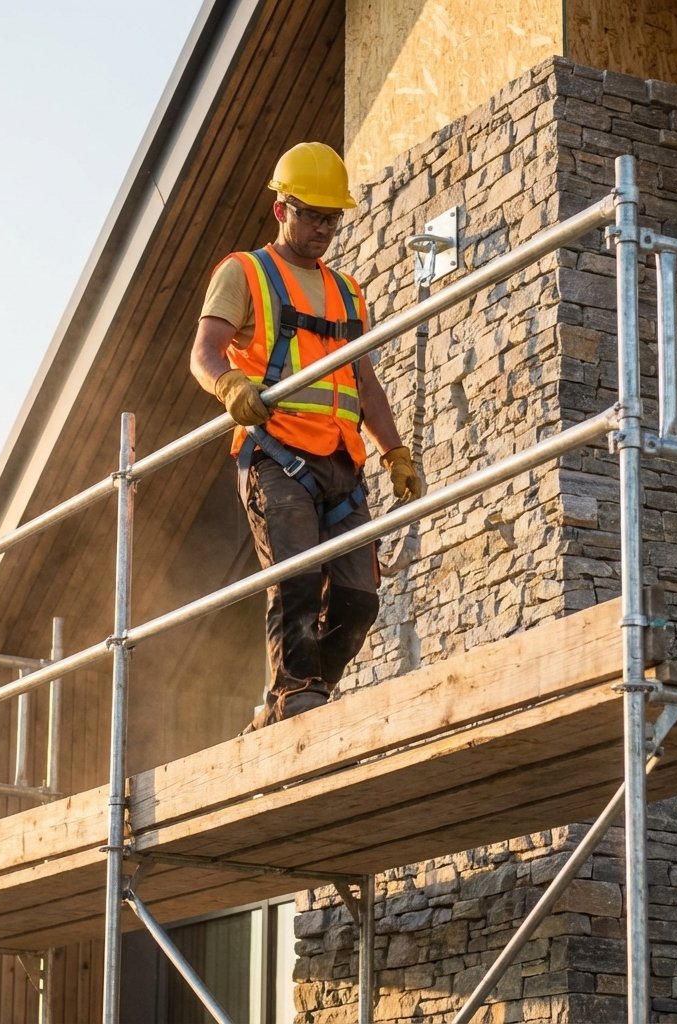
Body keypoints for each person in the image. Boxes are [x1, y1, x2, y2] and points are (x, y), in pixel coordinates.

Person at [190, 141, 422, 733]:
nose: (323, 229)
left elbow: (363, 379)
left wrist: (394, 450)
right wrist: (228, 385)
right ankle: (296, 696)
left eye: (331, 218)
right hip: (277, 455)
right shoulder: (244, 273)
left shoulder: (348, 292)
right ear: (281, 209)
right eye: (312, 215)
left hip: (342, 463)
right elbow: (204, 352)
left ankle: (297, 694)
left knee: (358, 599)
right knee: (294, 578)